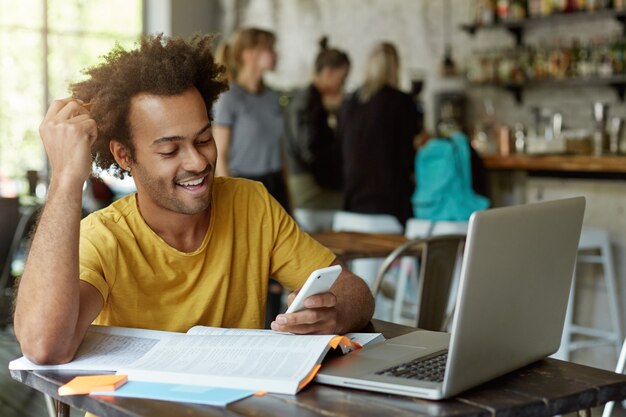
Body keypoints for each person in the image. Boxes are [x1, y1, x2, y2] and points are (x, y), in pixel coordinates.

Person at [13, 34, 374, 367]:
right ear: (124, 156)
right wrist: (64, 179)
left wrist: (334, 313)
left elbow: (355, 291)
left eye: (203, 140)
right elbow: (46, 346)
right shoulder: (104, 238)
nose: (198, 162)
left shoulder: (251, 204)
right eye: (170, 149)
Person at [339, 42, 417, 225]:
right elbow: (406, 156)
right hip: (390, 204)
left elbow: (340, 151)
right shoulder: (401, 101)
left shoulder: (349, 102)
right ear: (394, 66)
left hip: (352, 204)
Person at [212, 27, 289, 210]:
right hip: (245, 185)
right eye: (269, 49)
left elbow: (280, 151)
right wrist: (229, 199)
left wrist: (289, 197)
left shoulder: (272, 97)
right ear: (248, 54)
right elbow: (219, 154)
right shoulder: (229, 97)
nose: (275, 54)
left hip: (276, 185)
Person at [284, 37, 350, 210]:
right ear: (328, 72)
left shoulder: (312, 100)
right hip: (308, 185)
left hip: (309, 179)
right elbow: (311, 152)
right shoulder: (307, 103)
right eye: (342, 79)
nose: (342, 86)